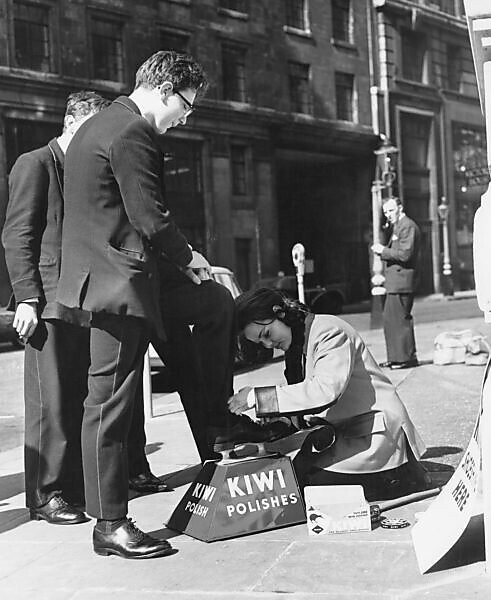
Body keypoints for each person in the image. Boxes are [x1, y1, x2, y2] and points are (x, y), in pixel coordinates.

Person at [55, 52, 280, 559]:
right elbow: (150, 217)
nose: (187, 116)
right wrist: (192, 257)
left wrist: (190, 272)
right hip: (120, 284)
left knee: (216, 303)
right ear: (163, 89)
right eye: (186, 105)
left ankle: (218, 426)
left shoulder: (106, 123)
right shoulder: (133, 132)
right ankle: (109, 523)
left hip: (127, 278)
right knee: (108, 403)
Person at [2, 92, 109, 526]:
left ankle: (69, 487)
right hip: (45, 302)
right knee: (49, 405)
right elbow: (17, 235)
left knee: (75, 398)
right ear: (71, 122)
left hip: (79, 301)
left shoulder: (80, 169)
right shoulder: (35, 163)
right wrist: (26, 298)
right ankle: (44, 495)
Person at [228, 288, 432, 502]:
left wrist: (257, 398)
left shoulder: (329, 331)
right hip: (352, 436)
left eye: (267, 334)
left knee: (299, 488)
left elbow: (325, 390)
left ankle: (402, 479)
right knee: (282, 480)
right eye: (261, 343)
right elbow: (305, 395)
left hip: (379, 441)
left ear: (280, 313)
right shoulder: (299, 342)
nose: (269, 345)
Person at [371, 197, 421, 370]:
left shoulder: (407, 226)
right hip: (396, 282)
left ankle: (406, 358)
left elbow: (406, 254)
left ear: (400, 207)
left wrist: (382, 251)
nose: (388, 215)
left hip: (402, 282)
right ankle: (396, 357)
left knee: (399, 320)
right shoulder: (399, 226)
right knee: (391, 320)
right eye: (385, 212)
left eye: (391, 210)